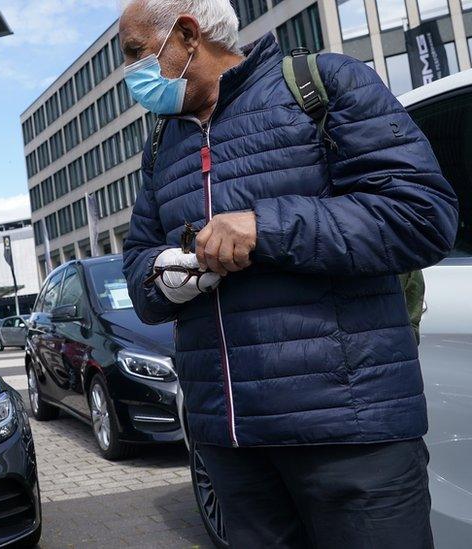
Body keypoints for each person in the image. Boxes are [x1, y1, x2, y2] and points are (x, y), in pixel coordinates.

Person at [119, 1, 459, 547]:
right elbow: (137, 265)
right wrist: (163, 274)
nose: (130, 73)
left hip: (349, 436)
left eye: (136, 53)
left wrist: (264, 228)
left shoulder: (323, 86)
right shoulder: (163, 143)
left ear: (186, 36)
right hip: (231, 448)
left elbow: (421, 218)